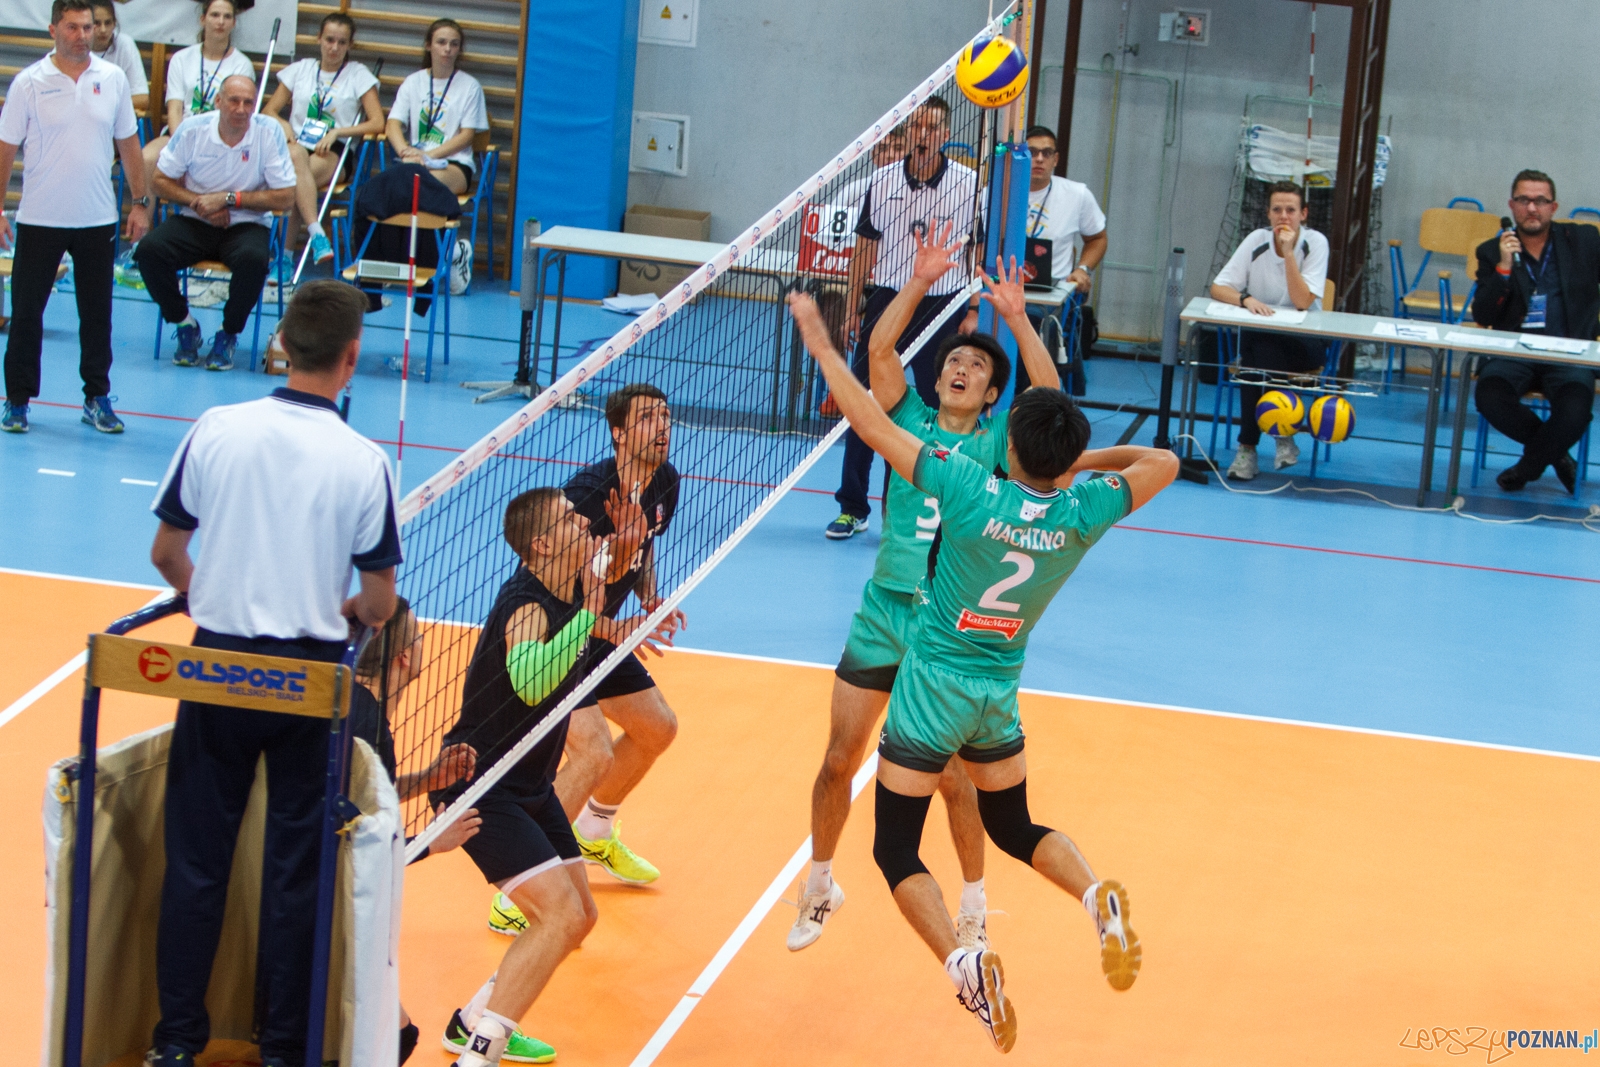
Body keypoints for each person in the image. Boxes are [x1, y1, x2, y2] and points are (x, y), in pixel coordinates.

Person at [789, 287, 1177, 1052]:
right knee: (1015, 823)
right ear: (1058, 458)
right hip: (999, 690)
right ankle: (1095, 894)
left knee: (895, 845)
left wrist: (826, 348)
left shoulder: (967, 487)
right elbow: (1159, 459)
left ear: (1007, 441)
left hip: (933, 682)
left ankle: (964, 961)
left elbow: (868, 420)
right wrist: (1076, 466)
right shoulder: (1081, 515)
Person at [144, 280, 401, 1067]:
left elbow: (165, 553)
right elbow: (381, 600)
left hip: (218, 663)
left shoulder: (217, 427)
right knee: (296, 867)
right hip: (307, 682)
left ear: (282, 343)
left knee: (194, 861)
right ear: (351, 357)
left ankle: (175, 1042)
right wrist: (348, 604)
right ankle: (285, 1045)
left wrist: (213, 590)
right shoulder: (365, 460)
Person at [790, 228, 1065, 953]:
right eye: (953, 359)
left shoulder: (1001, 447)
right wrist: (915, 282)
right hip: (885, 610)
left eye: (975, 364)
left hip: (945, 628)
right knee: (838, 758)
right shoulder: (907, 420)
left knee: (952, 778)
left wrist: (1016, 320)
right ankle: (819, 883)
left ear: (992, 392)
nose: (961, 367)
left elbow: (1050, 395)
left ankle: (972, 901)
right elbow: (880, 354)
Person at [428, 489, 668, 1067]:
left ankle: (471, 1023)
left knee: (578, 917)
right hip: (480, 786)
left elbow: (586, 610)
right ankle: (480, 1054)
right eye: (568, 518)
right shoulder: (527, 605)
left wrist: (618, 614)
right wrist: (592, 616)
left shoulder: (569, 588)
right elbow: (533, 681)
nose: (582, 519)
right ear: (541, 544)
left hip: (530, 786)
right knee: (558, 915)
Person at [488, 384, 682, 935]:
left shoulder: (664, 481)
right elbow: (560, 595)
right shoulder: (588, 496)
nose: (663, 426)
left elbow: (644, 550)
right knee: (593, 752)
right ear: (619, 432)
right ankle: (521, 882)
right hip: (555, 633)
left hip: (601, 631)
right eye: (648, 418)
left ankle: (594, 834)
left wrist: (648, 597)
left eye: (666, 416)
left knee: (657, 729)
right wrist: (613, 623)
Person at [826, 94, 980, 540]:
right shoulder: (884, 180)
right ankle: (853, 507)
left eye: (933, 128)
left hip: (941, 303)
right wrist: (856, 303)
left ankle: (909, 510)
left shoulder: (967, 184)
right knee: (863, 406)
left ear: (947, 135)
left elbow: (977, 250)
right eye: (917, 127)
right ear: (908, 132)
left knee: (931, 414)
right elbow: (864, 247)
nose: (924, 135)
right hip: (888, 301)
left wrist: (971, 309)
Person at [0, 0, 148, 436]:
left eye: (88, 27)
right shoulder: (28, 83)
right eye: (73, 27)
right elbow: (6, 150)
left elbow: (130, 144)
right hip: (40, 218)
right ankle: (17, 401)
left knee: (97, 315)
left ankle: (96, 398)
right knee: (27, 313)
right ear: (53, 30)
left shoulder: (114, 79)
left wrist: (140, 202)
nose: (82, 35)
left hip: (97, 219)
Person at [347, 597, 483, 1066]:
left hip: (316, 893)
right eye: (420, 637)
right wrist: (431, 842)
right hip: (333, 906)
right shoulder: (366, 726)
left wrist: (427, 780)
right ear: (404, 657)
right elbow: (359, 846)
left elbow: (366, 794)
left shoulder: (352, 701)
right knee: (387, 1039)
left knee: (398, 1035)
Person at [136, 74, 296, 371]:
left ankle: (229, 333)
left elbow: (286, 197)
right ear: (218, 101)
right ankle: (184, 323)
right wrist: (201, 202)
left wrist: (229, 199)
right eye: (234, 101)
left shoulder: (268, 131)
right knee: (148, 251)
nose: (241, 109)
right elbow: (159, 181)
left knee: (253, 260)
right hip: (196, 219)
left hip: (247, 223)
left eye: (249, 102)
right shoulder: (193, 129)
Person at [1470, 169, 1600, 493]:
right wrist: (1502, 267)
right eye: (1524, 200)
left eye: (1540, 201)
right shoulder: (1491, 250)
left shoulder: (1584, 241)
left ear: (1553, 207)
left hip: (1568, 352)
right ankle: (1555, 455)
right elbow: (1484, 314)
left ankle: (1529, 467)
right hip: (1515, 351)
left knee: (1575, 409)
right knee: (1489, 396)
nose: (1532, 208)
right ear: (1512, 205)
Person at [1209, 180, 1329, 480]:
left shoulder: (1316, 243)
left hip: (1305, 340)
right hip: (1263, 339)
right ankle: (1281, 435)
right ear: (1268, 214)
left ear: (1303, 214)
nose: (1283, 217)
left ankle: (1247, 448)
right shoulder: (1256, 240)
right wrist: (1245, 299)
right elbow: (1218, 287)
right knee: (1259, 351)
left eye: (1290, 210)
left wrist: (1289, 254)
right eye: (1277, 210)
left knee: (1257, 357)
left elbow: (1302, 302)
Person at [263, 12, 384, 266]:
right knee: (296, 168)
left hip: (333, 150)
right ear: (318, 38)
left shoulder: (357, 74)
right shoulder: (300, 69)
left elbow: (377, 122)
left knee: (294, 183)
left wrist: (338, 132)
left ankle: (284, 260)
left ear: (350, 45)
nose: (334, 47)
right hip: (297, 144)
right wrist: (283, 124)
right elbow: (269, 111)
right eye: (329, 40)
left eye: (342, 42)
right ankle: (316, 232)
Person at [1018, 124, 1106, 393]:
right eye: (1032, 152)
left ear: (1056, 159)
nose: (1039, 159)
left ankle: (1031, 402)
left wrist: (1082, 269)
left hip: (1051, 297)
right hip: (1006, 287)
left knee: (1030, 323)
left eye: (1046, 153)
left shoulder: (1077, 194)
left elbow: (1098, 239)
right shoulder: (997, 191)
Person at [140, 0, 254, 182]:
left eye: (227, 17)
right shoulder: (181, 59)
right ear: (203, 19)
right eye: (215, 15)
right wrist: (181, 145)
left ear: (233, 23)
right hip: (180, 134)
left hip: (221, 140)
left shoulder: (242, 65)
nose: (220, 22)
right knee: (147, 158)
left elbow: (236, 116)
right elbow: (175, 109)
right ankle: (144, 210)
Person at [386, 18, 487, 197]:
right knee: (397, 183)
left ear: (459, 50)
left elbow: (466, 136)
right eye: (441, 42)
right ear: (428, 45)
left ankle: (429, 225)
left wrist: (427, 156)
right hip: (415, 162)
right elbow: (393, 124)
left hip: (454, 164)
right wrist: (405, 152)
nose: (447, 49)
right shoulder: (413, 82)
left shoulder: (470, 86)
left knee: (419, 183)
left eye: (454, 44)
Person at [89, 0, 148, 116]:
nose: (103, 30)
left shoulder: (125, 44)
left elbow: (142, 98)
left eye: (108, 23)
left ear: (114, 24)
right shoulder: (75, 44)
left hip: (114, 117)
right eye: (96, 23)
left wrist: (105, 105)